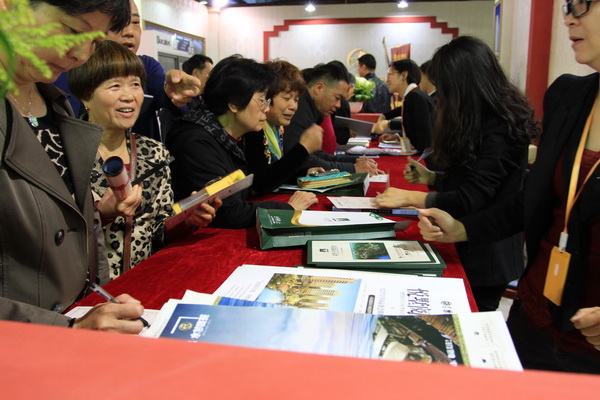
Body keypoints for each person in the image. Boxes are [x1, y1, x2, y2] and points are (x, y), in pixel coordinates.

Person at [417, 2, 600, 374]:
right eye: (567, 6)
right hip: (535, 312)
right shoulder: (569, 96)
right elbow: (533, 201)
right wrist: (462, 229)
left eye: (583, 5)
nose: (569, 18)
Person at [0, 0, 147, 333]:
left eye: (94, 41)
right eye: (72, 30)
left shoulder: (56, 105)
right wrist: (68, 329)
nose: (81, 55)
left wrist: (102, 301)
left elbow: (84, 228)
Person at [375, 36, 536, 312]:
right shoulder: (478, 117)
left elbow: (473, 195)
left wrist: (411, 198)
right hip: (466, 239)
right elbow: (470, 177)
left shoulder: (500, 125)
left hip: (486, 251)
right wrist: (433, 179)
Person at [67, 40, 219, 279]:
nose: (129, 96)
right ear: (85, 96)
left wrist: (187, 218)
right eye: (115, 86)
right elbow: (55, 239)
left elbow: (158, 231)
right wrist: (103, 215)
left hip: (142, 283)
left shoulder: (154, 152)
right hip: (87, 290)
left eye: (135, 84)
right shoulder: (65, 153)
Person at [166, 55, 318, 229]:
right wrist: (288, 208)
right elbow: (228, 212)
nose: (266, 108)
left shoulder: (232, 135)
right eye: (262, 100)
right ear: (234, 104)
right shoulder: (196, 141)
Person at [284, 61, 382, 175]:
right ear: (319, 88)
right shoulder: (300, 108)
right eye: (337, 98)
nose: (339, 105)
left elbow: (315, 154)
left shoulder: (311, 107)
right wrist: (352, 168)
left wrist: (355, 161)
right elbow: (300, 161)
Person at [244, 59, 323, 195]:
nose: (293, 107)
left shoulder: (276, 128)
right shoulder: (254, 129)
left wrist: (303, 173)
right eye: (287, 98)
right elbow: (260, 183)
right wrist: (303, 148)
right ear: (266, 97)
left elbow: (275, 172)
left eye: (296, 100)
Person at [371, 59, 434, 155]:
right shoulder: (412, 96)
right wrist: (385, 116)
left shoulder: (415, 97)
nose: (387, 80)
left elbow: (424, 139)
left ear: (404, 75)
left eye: (390, 74)